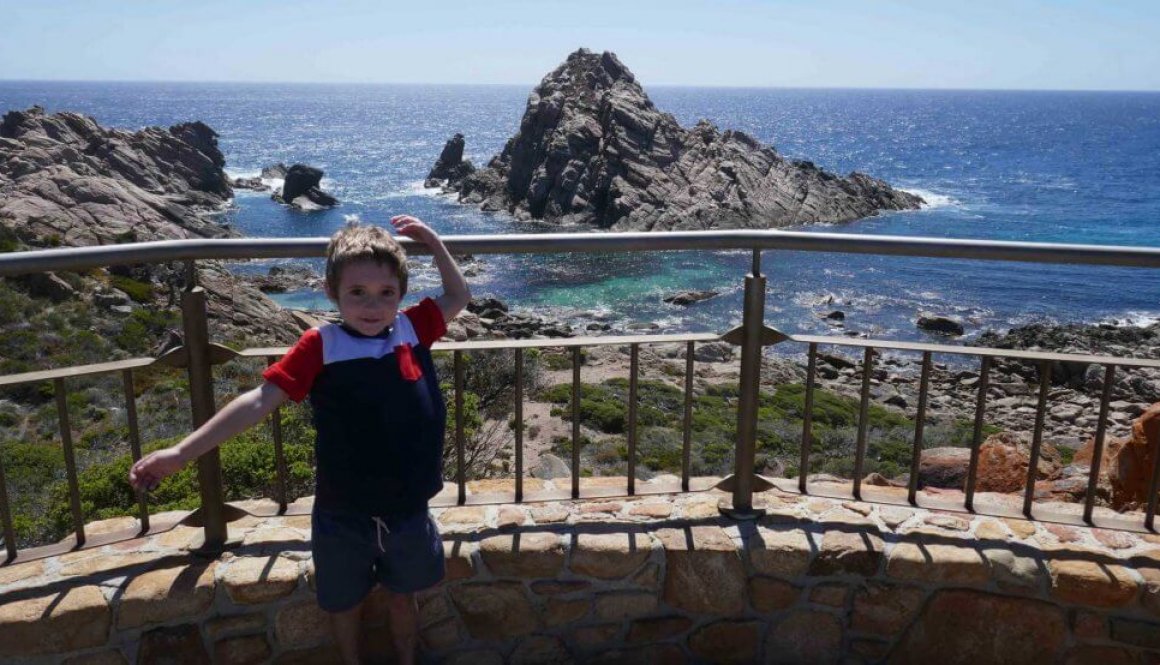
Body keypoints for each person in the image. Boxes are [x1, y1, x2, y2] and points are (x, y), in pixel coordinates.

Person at [129, 215, 470, 665]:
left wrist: (432, 241)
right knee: (342, 604)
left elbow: (458, 295)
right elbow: (258, 401)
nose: (373, 306)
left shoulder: (411, 328)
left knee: (403, 596)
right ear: (332, 292)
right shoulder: (321, 344)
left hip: (408, 509)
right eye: (357, 293)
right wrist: (181, 452)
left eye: (386, 293)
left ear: (401, 294)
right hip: (342, 511)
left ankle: (405, 657)